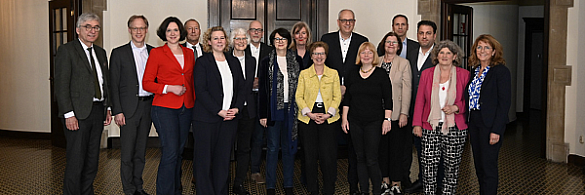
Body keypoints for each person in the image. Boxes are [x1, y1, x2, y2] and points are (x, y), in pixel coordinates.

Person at [55, 12, 112, 195]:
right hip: (77, 115)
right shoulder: (67, 50)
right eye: (88, 26)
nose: (92, 30)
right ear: (78, 29)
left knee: (92, 160)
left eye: (96, 27)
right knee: (76, 161)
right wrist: (68, 114)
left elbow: (105, 83)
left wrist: (108, 107)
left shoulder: (101, 52)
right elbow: (62, 84)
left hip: (97, 112)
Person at [142, 16, 195, 195]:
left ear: (181, 32)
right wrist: (169, 88)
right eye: (169, 30)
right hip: (164, 108)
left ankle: (176, 189)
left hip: (186, 107)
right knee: (170, 152)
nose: (173, 33)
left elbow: (192, 80)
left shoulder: (189, 53)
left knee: (179, 152)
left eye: (176, 30)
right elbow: (147, 83)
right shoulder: (157, 53)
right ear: (164, 33)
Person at [192, 26, 246, 195]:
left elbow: (242, 88)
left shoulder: (233, 61)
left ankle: (221, 191)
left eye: (222, 38)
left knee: (223, 160)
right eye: (215, 38)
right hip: (206, 119)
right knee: (204, 160)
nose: (219, 41)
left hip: (229, 119)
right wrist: (219, 110)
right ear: (209, 42)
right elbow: (200, 90)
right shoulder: (202, 62)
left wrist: (236, 108)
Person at [412, 40, 470, 195]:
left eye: (448, 53)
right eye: (441, 52)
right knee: (428, 166)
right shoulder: (427, 74)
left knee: (451, 168)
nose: (444, 56)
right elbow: (420, 101)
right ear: (436, 56)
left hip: (455, 128)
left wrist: (456, 107)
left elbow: (469, 101)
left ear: (455, 56)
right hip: (430, 127)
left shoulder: (464, 75)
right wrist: (417, 124)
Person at [320, 9, 368, 194]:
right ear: (338, 22)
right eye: (344, 20)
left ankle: (353, 186)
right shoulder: (327, 39)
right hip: (329, 99)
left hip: (354, 101)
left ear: (354, 22)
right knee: (328, 147)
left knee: (354, 148)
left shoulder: (362, 41)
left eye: (351, 21)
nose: (347, 23)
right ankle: (328, 184)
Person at [109, 15, 153, 195]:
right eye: (135, 28)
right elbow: (114, 84)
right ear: (129, 30)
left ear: (146, 30)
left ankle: (138, 187)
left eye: (141, 28)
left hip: (148, 107)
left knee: (141, 152)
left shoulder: (154, 52)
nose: (138, 31)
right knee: (127, 154)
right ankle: (128, 190)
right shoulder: (118, 53)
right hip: (127, 110)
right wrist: (117, 111)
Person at [341, 42, 392, 195]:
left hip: (374, 122)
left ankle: (376, 190)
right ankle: (364, 191)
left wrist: (387, 120)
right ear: (359, 55)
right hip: (355, 121)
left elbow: (388, 99)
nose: (367, 55)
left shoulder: (381, 74)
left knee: (371, 158)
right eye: (363, 52)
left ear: (374, 55)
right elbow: (347, 98)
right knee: (359, 158)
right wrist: (344, 119)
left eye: (370, 52)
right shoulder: (352, 73)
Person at [258, 28, 303, 195]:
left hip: (291, 110)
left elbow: (302, 86)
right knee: (272, 148)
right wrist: (262, 114)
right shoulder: (265, 61)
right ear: (272, 42)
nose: (280, 41)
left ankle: (288, 184)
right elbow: (262, 90)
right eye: (276, 39)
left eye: (283, 38)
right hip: (272, 111)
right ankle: (270, 185)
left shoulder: (296, 59)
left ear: (288, 41)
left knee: (289, 147)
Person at [465, 34, 511, 195]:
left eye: (486, 47)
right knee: (478, 165)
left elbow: (504, 103)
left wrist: (497, 130)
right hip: (474, 122)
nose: (482, 50)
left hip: (490, 124)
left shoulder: (500, 72)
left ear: (493, 52)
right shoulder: (475, 71)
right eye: (479, 47)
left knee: (488, 166)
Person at [295, 41, 341, 195]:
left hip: (329, 118)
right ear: (311, 56)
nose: (319, 57)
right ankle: (312, 188)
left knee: (328, 156)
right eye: (316, 53)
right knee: (309, 155)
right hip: (308, 119)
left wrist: (328, 114)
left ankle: (329, 187)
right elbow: (299, 97)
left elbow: (337, 97)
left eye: (322, 53)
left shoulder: (333, 73)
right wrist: (310, 113)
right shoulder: (304, 74)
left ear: (326, 56)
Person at [404, 20, 441, 194]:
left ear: (434, 35)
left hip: (432, 111)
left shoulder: (441, 55)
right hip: (413, 109)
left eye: (428, 33)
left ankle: (436, 183)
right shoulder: (411, 53)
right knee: (418, 147)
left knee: (434, 150)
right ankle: (422, 180)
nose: (424, 36)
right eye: (421, 33)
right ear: (417, 34)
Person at [376, 31, 412, 195]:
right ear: (383, 44)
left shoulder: (404, 63)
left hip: (397, 115)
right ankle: (385, 181)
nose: (391, 44)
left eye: (394, 42)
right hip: (378, 114)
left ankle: (396, 183)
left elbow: (407, 90)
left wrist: (404, 113)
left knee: (396, 150)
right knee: (381, 149)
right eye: (388, 42)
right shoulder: (376, 62)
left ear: (399, 46)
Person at [229, 28, 257, 195]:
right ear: (232, 41)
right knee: (226, 148)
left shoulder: (252, 61)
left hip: (248, 110)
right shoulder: (225, 58)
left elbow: (249, 86)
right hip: (230, 110)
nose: (241, 42)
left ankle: (238, 183)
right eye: (237, 39)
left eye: (243, 39)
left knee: (245, 148)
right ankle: (222, 180)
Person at [246, 20, 273, 184]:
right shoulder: (240, 48)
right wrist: (250, 83)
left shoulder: (270, 50)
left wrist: (260, 81)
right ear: (249, 32)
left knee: (258, 136)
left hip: (262, 98)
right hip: (244, 99)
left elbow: (273, 74)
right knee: (241, 136)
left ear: (262, 33)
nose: (256, 33)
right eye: (253, 30)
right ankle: (237, 170)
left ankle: (255, 170)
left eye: (259, 30)